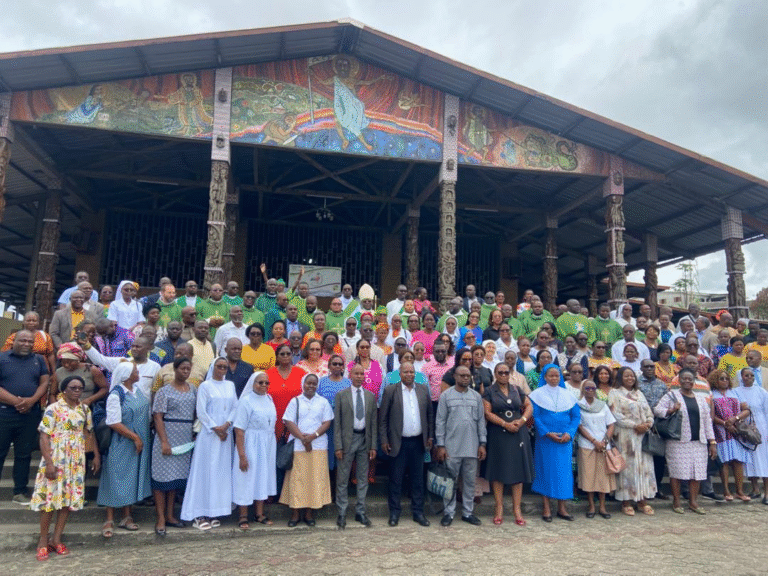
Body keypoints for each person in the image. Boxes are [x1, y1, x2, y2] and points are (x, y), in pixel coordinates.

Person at [30, 375, 99, 560]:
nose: (77, 391)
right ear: (64, 390)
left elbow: (89, 434)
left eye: (80, 388)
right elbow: (44, 436)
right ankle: (43, 541)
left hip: (75, 461)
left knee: (67, 501)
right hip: (56, 457)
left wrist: (95, 456)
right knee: (49, 500)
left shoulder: (84, 409)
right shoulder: (53, 409)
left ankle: (56, 539)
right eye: (73, 388)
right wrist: (49, 463)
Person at [181, 357, 237, 530]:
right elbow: (201, 411)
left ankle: (215, 512)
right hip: (209, 435)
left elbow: (235, 407)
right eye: (219, 366)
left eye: (225, 367)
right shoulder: (205, 386)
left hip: (226, 435)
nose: (222, 369)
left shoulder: (230, 385)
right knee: (205, 472)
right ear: (213, 367)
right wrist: (216, 428)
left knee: (221, 473)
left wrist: (227, 425)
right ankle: (199, 513)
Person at [96, 362, 151, 537]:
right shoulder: (116, 395)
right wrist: (135, 437)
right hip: (121, 442)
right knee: (114, 477)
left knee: (130, 479)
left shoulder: (137, 390)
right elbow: (113, 422)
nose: (138, 372)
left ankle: (127, 516)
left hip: (138, 443)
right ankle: (109, 518)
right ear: (126, 375)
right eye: (135, 371)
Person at [654, 368, 717, 514]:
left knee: (697, 472)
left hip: (699, 442)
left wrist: (712, 442)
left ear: (694, 381)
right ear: (679, 380)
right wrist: (671, 410)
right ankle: (676, 501)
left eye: (690, 379)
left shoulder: (700, 399)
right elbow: (657, 410)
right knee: (677, 472)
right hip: (678, 441)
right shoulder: (672, 396)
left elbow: (707, 421)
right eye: (684, 378)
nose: (687, 381)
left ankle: (693, 502)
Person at [379, 361, 434, 527]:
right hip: (398, 442)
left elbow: (430, 416)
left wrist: (430, 437)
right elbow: (383, 419)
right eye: (406, 372)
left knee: (418, 480)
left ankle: (418, 513)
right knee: (396, 480)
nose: (409, 375)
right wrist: (384, 440)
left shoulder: (423, 389)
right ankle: (394, 513)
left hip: (418, 442)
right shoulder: (390, 390)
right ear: (399, 374)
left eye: (412, 372)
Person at [0, 330, 50, 504]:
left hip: (30, 415)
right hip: (4, 413)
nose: (26, 344)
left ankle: (20, 492)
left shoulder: (39, 360)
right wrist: (17, 402)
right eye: (23, 340)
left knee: (24, 454)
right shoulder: (2, 358)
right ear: (14, 341)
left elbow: (45, 382)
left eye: (30, 341)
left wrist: (32, 400)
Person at [435, 365, 487, 527]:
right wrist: (441, 445)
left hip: (472, 446)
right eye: (462, 375)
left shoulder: (476, 397)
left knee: (470, 482)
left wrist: (482, 443)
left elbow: (481, 422)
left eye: (468, 376)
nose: (465, 378)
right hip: (451, 447)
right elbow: (440, 421)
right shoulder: (446, 396)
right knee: (450, 481)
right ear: (455, 377)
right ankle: (448, 513)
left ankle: (467, 512)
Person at [482, 362, 533, 525]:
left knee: (518, 471)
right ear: (495, 374)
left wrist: (522, 421)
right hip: (498, 433)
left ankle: (517, 509)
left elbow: (529, 406)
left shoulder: (517, 389)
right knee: (498, 470)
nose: (503, 375)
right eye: (500, 372)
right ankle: (499, 508)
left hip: (518, 432)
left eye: (506, 372)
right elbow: (487, 413)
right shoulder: (489, 391)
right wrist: (505, 424)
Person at [151, 357, 197, 535]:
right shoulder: (164, 391)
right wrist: (164, 441)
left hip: (184, 438)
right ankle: (160, 518)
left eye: (188, 369)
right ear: (175, 369)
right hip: (167, 434)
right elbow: (158, 417)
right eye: (182, 368)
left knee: (175, 478)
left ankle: (170, 515)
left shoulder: (193, 389)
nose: (185, 372)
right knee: (161, 478)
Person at [280, 373, 333, 526]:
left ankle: (309, 514)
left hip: (318, 445)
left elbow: (327, 423)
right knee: (297, 480)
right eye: (308, 383)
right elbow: (288, 422)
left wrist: (312, 437)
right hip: (298, 446)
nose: (311, 386)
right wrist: (303, 439)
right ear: (303, 384)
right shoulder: (295, 401)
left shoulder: (323, 402)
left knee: (314, 480)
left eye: (314, 383)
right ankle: (295, 514)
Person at [529, 364, 580, 522]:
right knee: (545, 471)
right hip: (546, 440)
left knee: (563, 473)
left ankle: (562, 508)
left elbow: (576, 417)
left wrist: (569, 433)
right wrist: (546, 432)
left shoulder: (568, 395)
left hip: (564, 440)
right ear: (544, 377)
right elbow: (536, 416)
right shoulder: (536, 395)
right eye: (550, 375)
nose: (554, 378)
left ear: (560, 377)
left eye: (557, 375)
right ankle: (546, 508)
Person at [334, 363, 377, 529]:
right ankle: (342, 512)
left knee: (362, 477)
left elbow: (373, 423)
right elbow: (337, 423)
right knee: (343, 478)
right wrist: (338, 446)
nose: (359, 376)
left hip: (364, 440)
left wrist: (373, 446)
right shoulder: (341, 395)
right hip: (347, 440)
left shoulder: (370, 396)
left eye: (361, 374)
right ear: (350, 375)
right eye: (356, 374)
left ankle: (360, 511)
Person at [608, 367, 656, 516]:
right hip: (626, 436)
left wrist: (648, 424)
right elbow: (615, 414)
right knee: (628, 468)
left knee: (644, 468)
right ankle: (626, 501)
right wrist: (635, 425)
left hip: (642, 436)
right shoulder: (614, 393)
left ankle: (642, 501)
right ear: (620, 378)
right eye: (626, 376)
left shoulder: (639, 393)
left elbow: (649, 412)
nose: (630, 378)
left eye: (632, 376)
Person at [233, 371, 277, 529]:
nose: (264, 385)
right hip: (250, 444)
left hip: (267, 445)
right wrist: (242, 455)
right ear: (253, 383)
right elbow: (239, 430)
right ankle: (243, 516)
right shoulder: (246, 401)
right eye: (260, 382)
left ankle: (259, 514)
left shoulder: (269, 399)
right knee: (246, 477)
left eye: (267, 383)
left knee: (262, 477)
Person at [708, 369, 752, 502]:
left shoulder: (735, 392)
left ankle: (740, 491)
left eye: (726, 378)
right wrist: (725, 424)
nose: (725, 381)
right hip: (720, 432)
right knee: (724, 461)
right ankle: (726, 491)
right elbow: (711, 415)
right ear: (715, 380)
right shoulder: (711, 394)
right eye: (721, 378)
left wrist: (735, 419)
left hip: (737, 432)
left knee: (738, 461)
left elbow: (747, 410)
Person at [576, 379, 616, 519]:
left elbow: (611, 424)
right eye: (587, 388)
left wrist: (604, 441)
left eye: (593, 388)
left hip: (603, 446)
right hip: (587, 445)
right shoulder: (578, 406)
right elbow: (580, 427)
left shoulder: (602, 405)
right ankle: (591, 506)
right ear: (583, 390)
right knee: (588, 476)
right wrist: (594, 441)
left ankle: (603, 507)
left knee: (602, 476)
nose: (591, 390)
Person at [637, 359, 671, 499]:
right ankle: (643, 488)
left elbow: (668, 402)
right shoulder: (636, 383)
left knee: (659, 457)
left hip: (659, 424)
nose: (650, 369)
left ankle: (658, 488)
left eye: (652, 366)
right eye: (646, 366)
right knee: (643, 456)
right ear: (641, 368)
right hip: (641, 424)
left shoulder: (661, 384)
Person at [734, 367, 768, 501]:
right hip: (744, 428)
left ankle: (767, 492)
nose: (749, 378)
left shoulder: (761, 392)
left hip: (760, 427)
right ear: (741, 377)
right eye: (746, 375)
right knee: (750, 459)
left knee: (763, 459)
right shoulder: (736, 391)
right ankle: (755, 489)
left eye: (752, 376)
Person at [318, 355, 351, 475]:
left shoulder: (348, 383)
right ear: (329, 366)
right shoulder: (322, 382)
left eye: (340, 364)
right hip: (325, 425)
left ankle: (337, 483)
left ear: (343, 367)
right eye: (334, 364)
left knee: (340, 453)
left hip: (342, 425)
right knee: (325, 453)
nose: (337, 366)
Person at [266, 344, 307, 437]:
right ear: (277, 356)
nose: (285, 356)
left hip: (296, 420)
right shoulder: (268, 373)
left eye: (288, 354)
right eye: (282, 354)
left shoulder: (301, 373)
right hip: (273, 419)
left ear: (292, 356)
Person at [54, 343, 108, 408]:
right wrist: (55, 407)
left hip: (87, 408)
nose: (66, 365)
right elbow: (52, 394)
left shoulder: (91, 369)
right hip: (64, 409)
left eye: (70, 362)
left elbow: (105, 388)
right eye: (63, 362)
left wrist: (90, 400)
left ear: (78, 359)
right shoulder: (58, 372)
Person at [2, 312, 55, 376]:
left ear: (38, 322)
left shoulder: (45, 336)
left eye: (34, 321)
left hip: (41, 369)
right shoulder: (14, 336)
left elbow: (50, 355)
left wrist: (54, 372)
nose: (31, 323)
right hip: (18, 367)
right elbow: (5, 352)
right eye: (28, 320)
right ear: (23, 322)